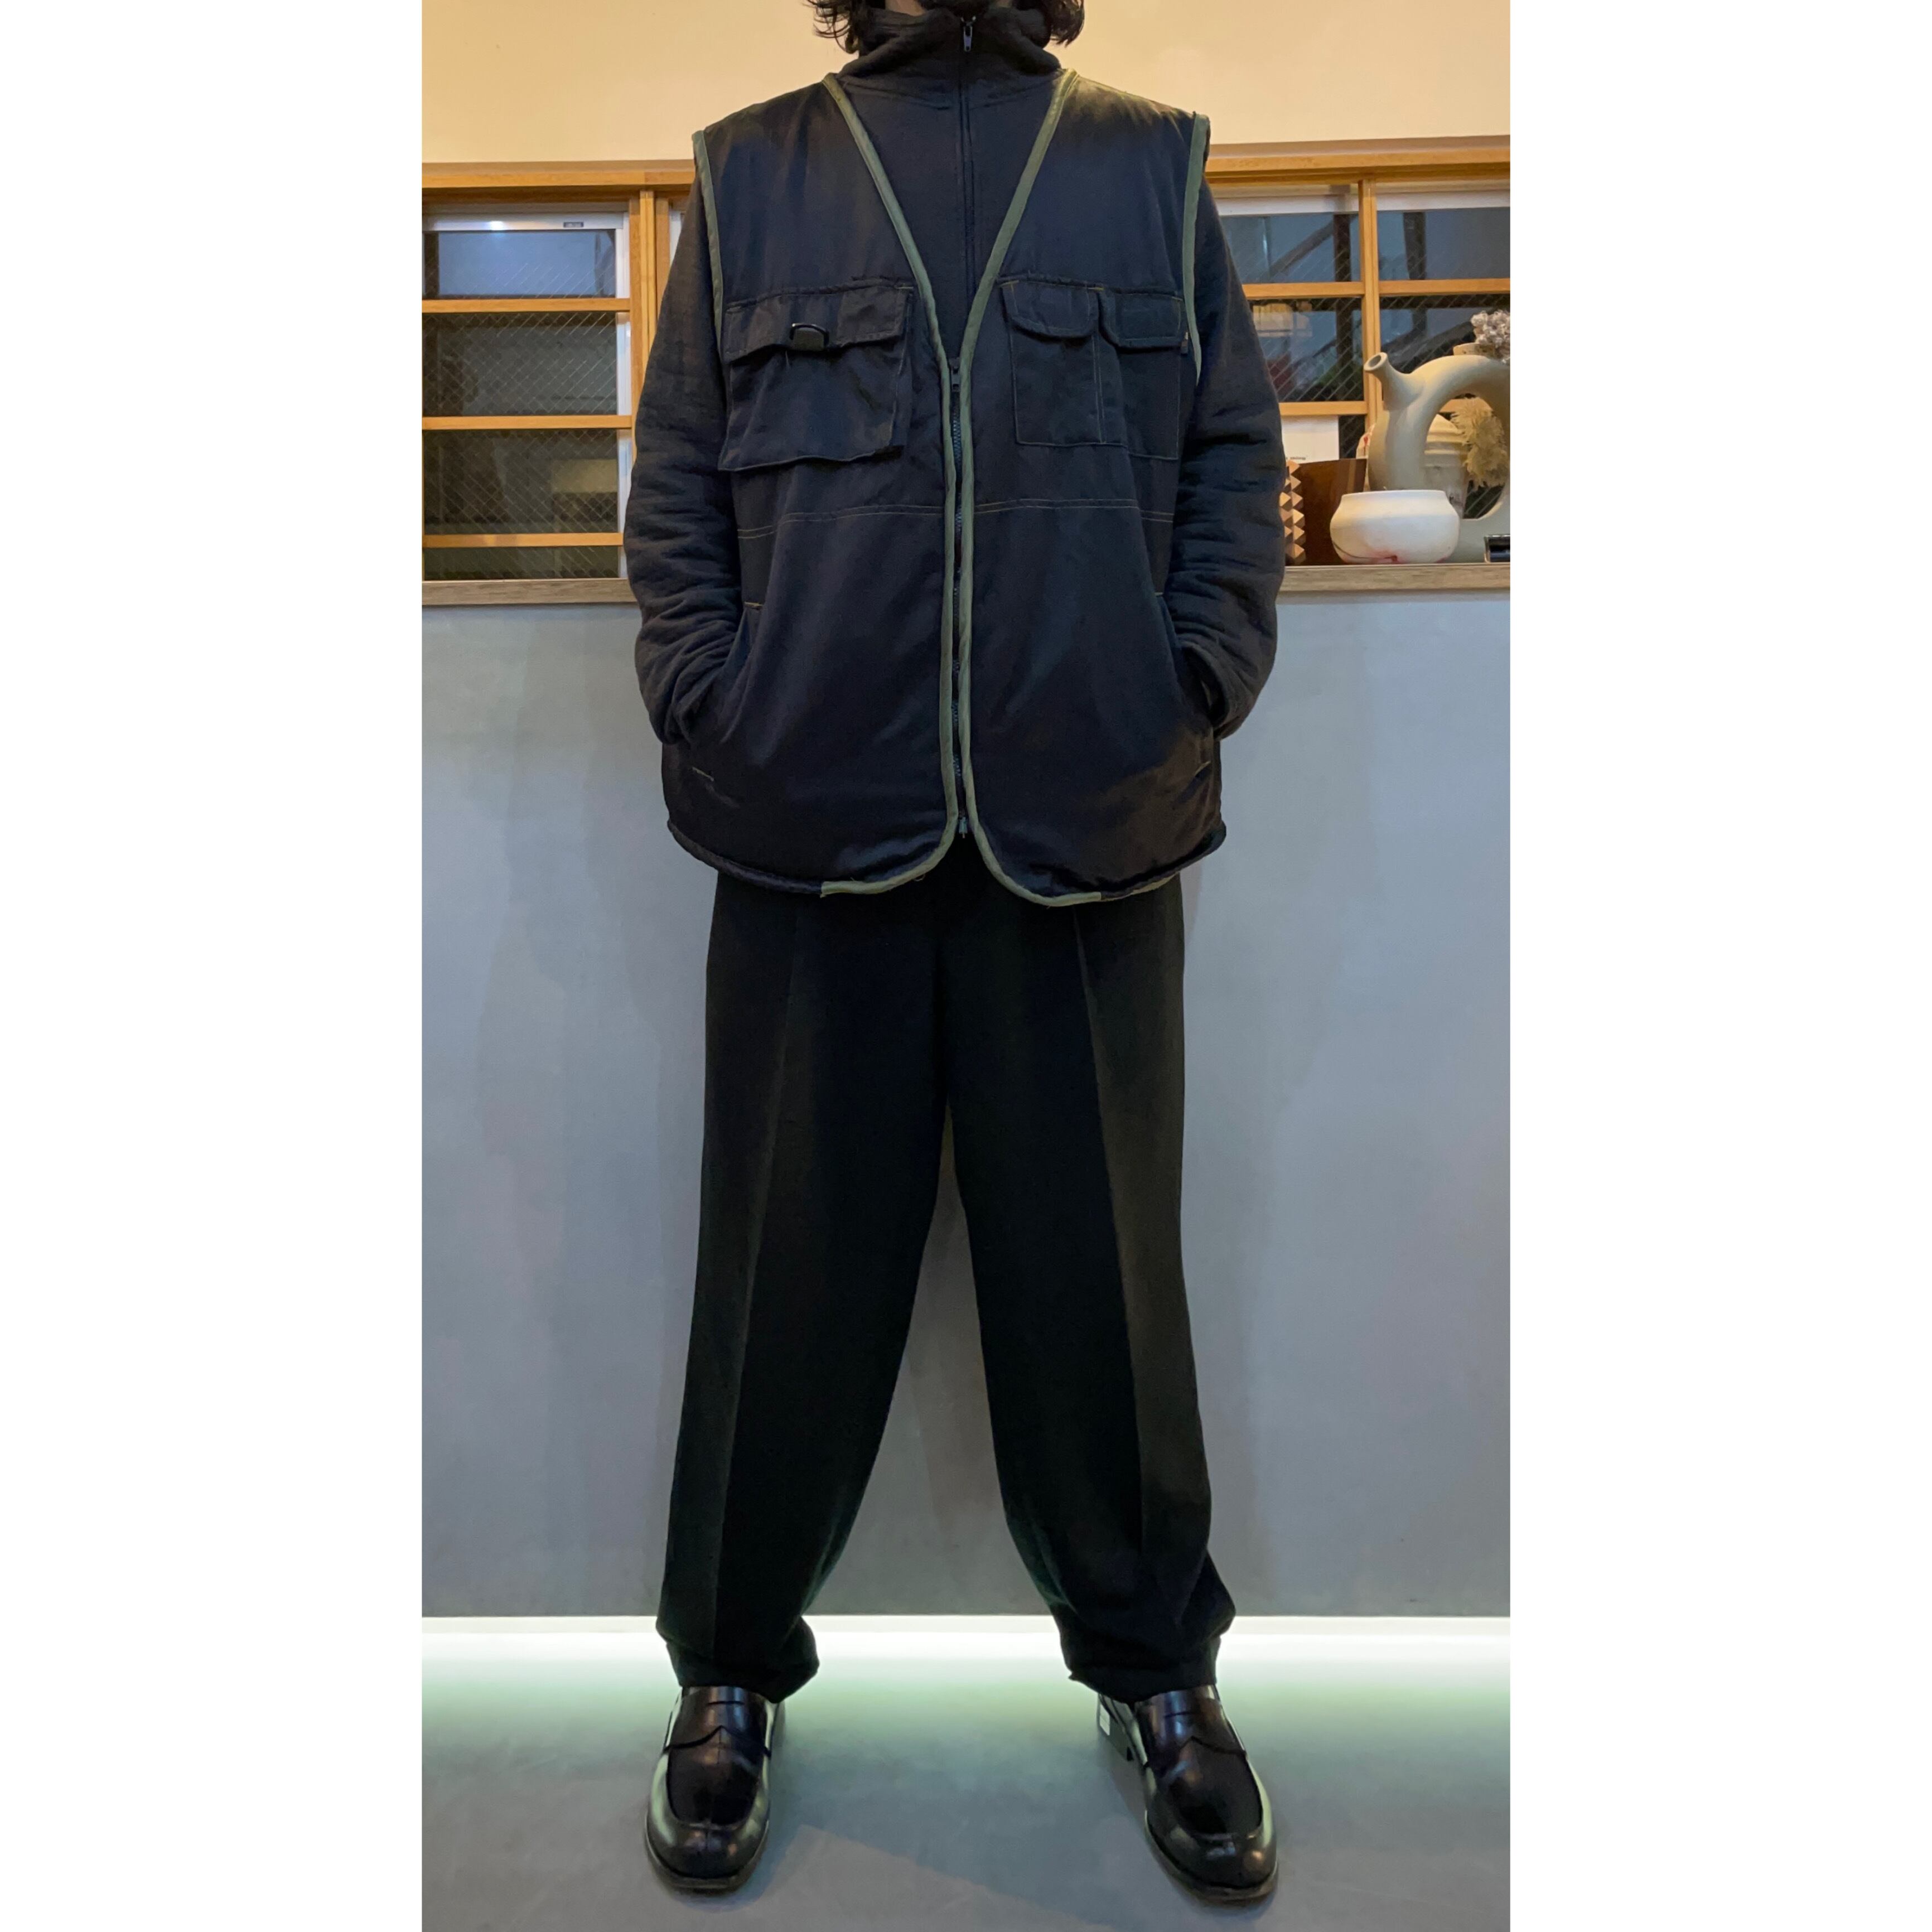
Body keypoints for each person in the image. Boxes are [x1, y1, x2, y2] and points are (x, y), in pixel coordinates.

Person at [623, 0, 1286, 1899]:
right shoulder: (753, 172)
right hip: (807, 828)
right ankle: (727, 1672)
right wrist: (711, 697)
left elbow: (1229, 463)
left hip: (1087, 829)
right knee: (778, 1288)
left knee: (1107, 1299)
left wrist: (1192, 677)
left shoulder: (1150, 165)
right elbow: (680, 491)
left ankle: (1158, 1674)